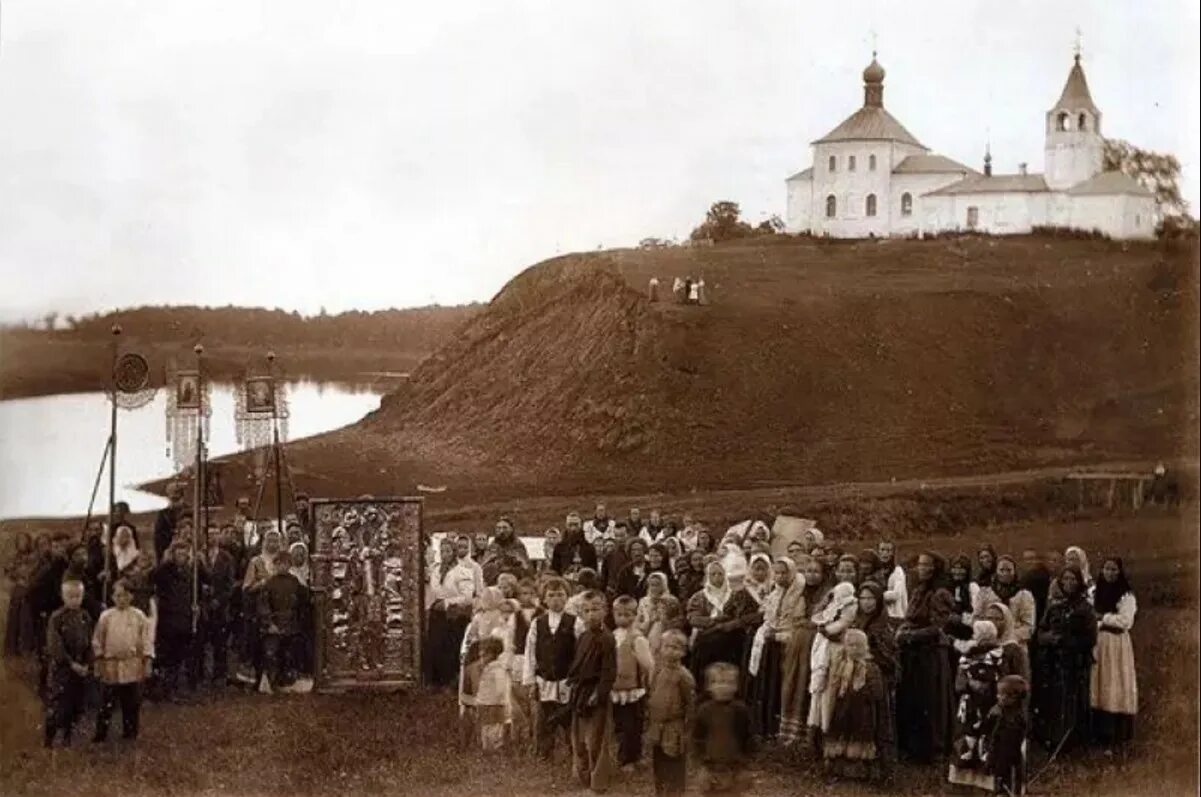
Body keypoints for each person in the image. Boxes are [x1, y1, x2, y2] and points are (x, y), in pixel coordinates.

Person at [896, 552, 955, 764]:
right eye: (920, 564)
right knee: (914, 700)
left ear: (935, 568)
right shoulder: (919, 590)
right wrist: (902, 629)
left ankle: (933, 750)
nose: (921, 569)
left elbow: (938, 628)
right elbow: (910, 617)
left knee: (931, 701)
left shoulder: (940, 594)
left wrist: (909, 635)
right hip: (914, 654)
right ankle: (914, 748)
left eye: (926, 565)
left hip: (931, 654)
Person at [1033, 566, 1097, 753]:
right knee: (1053, 701)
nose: (1069, 583)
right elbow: (1040, 631)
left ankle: (1073, 742)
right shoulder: (1054, 607)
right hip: (1053, 662)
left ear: (1079, 583)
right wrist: (1049, 639)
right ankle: (1052, 738)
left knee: (1073, 702)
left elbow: (1090, 638)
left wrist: (1066, 641)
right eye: (1065, 580)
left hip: (1075, 663)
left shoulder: (1085, 608)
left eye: (1073, 580)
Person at [746, 557, 804, 740]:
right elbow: (767, 615)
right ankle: (763, 725)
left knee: (779, 684)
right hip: (771, 641)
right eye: (777, 573)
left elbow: (796, 626)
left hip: (788, 645)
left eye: (783, 573)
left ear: (792, 573)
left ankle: (777, 726)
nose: (779, 577)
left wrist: (777, 635)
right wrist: (768, 628)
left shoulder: (799, 595)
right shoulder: (775, 592)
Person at [822, 628, 890, 783]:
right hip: (843, 708)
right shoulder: (843, 665)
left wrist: (866, 693)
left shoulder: (871, 668)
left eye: (857, 646)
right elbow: (835, 686)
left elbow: (878, 693)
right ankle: (836, 767)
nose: (853, 649)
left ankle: (863, 770)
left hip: (863, 710)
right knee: (840, 733)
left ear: (864, 647)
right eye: (849, 645)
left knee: (861, 736)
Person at [522, 576, 579, 760]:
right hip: (544, 680)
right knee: (543, 721)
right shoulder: (537, 624)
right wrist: (531, 681)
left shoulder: (575, 622)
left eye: (560, 595)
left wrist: (577, 679)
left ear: (567, 597)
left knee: (570, 720)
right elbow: (530, 653)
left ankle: (575, 753)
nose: (556, 599)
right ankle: (544, 755)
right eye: (551, 595)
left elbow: (580, 652)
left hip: (567, 681)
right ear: (544, 599)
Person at [567, 589, 616, 793]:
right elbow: (577, 663)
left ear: (604, 611)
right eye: (586, 611)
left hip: (597, 691)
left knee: (596, 739)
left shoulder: (607, 638)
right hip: (580, 692)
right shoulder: (584, 636)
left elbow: (609, 671)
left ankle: (598, 783)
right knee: (578, 738)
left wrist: (599, 693)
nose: (591, 615)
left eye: (595, 609)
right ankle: (582, 775)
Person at [92, 580, 154, 743]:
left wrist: (147, 661)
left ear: (131, 597)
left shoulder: (138, 616)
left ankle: (130, 733)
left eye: (125, 596)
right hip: (111, 664)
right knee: (106, 703)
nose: (121, 599)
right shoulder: (106, 616)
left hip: (131, 665)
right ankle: (100, 734)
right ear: (113, 597)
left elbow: (146, 640)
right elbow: (98, 640)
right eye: (118, 596)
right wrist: (99, 660)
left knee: (131, 703)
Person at [947, 621, 1005, 791]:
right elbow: (959, 685)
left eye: (977, 633)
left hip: (986, 706)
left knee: (984, 740)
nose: (974, 636)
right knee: (966, 739)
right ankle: (963, 778)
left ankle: (984, 778)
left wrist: (972, 681)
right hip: (969, 706)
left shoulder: (997, 656)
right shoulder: (967, 656)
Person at [778, 555, 828, 747]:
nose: (812, 575)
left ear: (823, 575)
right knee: (792, 681)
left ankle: (807, 734)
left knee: (807, 682)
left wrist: (807, 624)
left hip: (813, 643)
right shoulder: (799, 592)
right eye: (808, 571)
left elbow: (821, 619)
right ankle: (790, 731)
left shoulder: (826, 594)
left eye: (816, 572)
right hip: (796, 644)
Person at [1090, 557, 1138, 748]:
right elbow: (1089, 615)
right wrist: (1099, 622)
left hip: (1117, 645)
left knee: (1116, 682)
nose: (1110, 573)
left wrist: (1102, 618)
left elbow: (1125, 621)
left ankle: (1118, 736)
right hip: (1099, 643)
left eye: (1114, 569)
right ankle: (1100, 735)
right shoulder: (1094, 592)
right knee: (1099, 682)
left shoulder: (1126, 596)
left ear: (1119, 572)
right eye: (1106, 569)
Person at [853, 581, 897, 777]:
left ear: (878, 600)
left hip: (878, 678)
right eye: (862, 598)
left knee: (878, 720)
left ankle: (879, 765)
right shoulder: (856, 620)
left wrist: (871, 657)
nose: (866, 603)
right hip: (856, 674)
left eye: (871, 598)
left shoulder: (883, 625)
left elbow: (890, 658)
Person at [42, 581, 94, 748]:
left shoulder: (85, 617)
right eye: (71, 596)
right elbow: (55, 645)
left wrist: (87, 663)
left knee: (76, 703)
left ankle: (67, 736)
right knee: (59, 703)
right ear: (63, 597)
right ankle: (49, 738)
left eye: (78, 596)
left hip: (81, 667)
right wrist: (70, 663)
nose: (74, 600)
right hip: (63, 668)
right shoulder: (57, 618)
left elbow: (90, 642)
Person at [692, 661, 756, 795]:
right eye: (718, 682)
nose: (723, 687)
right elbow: (697, 738)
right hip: (711, 767)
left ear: (735, 686)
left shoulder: (740, 711)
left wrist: (746, 764)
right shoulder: (704, 710)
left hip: (734, 767)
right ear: (709, 686)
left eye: (729, 682)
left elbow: (748, 738)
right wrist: (701, 762)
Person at [646, 629, 695, 797]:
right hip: (656, 725)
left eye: (675, 647)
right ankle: (660, 791)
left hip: (674, 727)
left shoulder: (684, 676)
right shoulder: (657, 670)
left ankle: (675, 793)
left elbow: (691, 705)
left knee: (673, 761)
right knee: (658, 762)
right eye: (666, 646)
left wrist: (687, 730)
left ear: (683, 651)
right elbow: (652, 692)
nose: (670, 651)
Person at [154, 542, 206, 698]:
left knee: (182, 653)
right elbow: (154, 577)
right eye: (178, 553)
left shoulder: (192, 571)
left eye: (184, 553)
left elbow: (203, 584)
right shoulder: (166, 571)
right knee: (169, 655)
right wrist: (167, 562)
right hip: (169, 618)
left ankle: (179, 686)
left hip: (186, 617)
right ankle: (167, 687)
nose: (181, 557)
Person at [610, 594, 654, 770]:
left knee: (633, 725)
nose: (623, 618)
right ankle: (624, 755)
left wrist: (648, 685)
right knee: (620, 724)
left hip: (633, 689)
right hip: (616, 688)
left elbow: (648, 665)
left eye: (628, 615)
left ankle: (632, 758)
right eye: (619, 614)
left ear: (635, 615)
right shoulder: (612, 635)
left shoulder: (637, 638)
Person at [808, 581, 858, 734]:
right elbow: (817, 616)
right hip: (825, 646)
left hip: (838, 648)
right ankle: (815, 727)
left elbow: (842, 623)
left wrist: (825, 630)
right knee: (819, 686)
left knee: (831, 688)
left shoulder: (851, 606)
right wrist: (827, 600)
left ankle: (826, 729)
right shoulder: (832, 603)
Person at [257, 554, 305, 692]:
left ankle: (286, 681)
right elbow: (263, 604)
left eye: (286, 563)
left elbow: (302, 602)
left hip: (291, 623)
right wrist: (269, 623)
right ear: (275, 564)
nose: (283, 566)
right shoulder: (269, 582)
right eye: (280, 563)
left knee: (289, 653)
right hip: (274, 621)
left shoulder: (295, 581)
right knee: (271, 653)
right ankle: (270, 681)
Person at [974, 555, 1036, 647]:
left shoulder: (1024, 595)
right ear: (996, 571)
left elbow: (1028, 626)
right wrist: (987, 634)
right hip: (987, 643)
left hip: (1015, 645)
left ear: (1014, 572)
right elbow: (976, 618)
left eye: (1009, 570)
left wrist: (1007, 637)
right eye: (1002, 570)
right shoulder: (984, 593)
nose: (1005, 574)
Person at [984, 675, 1029, 796]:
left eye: (1001, 694)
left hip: (1005, 763)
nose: (997, 696)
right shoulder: (1010, 714)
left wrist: (991, 761)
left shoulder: (1009, 720)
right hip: (1008, 762)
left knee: (1006, 788)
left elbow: (999, 743)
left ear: (1012, 697)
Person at [4, 531, 38, 656]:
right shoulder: (15, 557)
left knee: (25, 619)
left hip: (28, 592)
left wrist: (19, 574)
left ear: (29, 542)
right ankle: (11, 648)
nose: (22, 543)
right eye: (19, 540)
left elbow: (29, 574)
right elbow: (9, 571)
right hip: (17, 591)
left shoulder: (34, 556)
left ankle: (25, 648)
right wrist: (16, 574)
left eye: (24, 540)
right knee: (13, 618)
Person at [474, 637, 511, 752]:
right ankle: (487, 748)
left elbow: (501, 688)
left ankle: (495, 748)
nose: (482, 658)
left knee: (494, 726)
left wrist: (500, 700)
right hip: (485, 702)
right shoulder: (488, 669)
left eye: (484, 655)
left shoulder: (497, 669)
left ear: (492, 654)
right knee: (486, 726)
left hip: (494, 703)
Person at [481, 517, 531, 586]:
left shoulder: (518, 546)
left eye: (505, 528)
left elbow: (526, 567)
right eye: (499, 528)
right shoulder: (492, 546)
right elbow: (484, 565)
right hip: (495, 580)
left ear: (511, 529)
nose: (502, 531)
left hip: (514, 579)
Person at [551, 513, 599, 579]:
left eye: (576, 525)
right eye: (570, 525)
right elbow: (554, 571)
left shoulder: (589, 548)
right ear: (566, 526)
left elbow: (594, 572)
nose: (573, 528)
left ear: (581, 526)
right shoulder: (559, 548)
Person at [153, 483, 186, 563]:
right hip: (167, 547)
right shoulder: (163, 513)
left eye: (177, 499)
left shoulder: (188, 511)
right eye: (172, 499)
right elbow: (158, 535)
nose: (174, 503)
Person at [876, 540, 908, 619]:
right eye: (882, 550)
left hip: (895, 614)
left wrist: (876, 596)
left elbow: (896, 594)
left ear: (893, 553)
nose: (885, 553)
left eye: (888, 550)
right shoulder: (876, 570)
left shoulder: (897, 571)